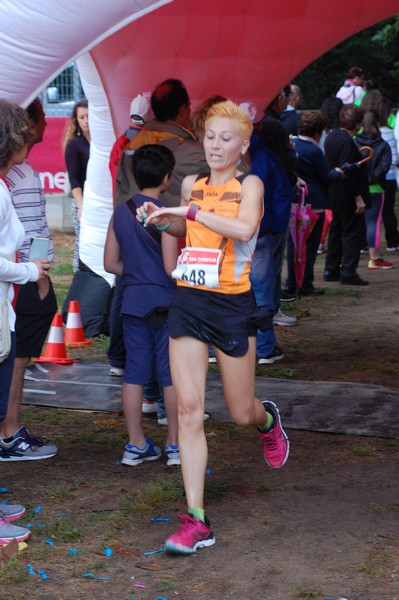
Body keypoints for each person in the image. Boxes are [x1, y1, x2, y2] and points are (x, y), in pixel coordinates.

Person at [138, 100, 290, 555]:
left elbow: (244, 230)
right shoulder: (191, 183)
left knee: (239, 410)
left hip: (231, 305)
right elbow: (190, 233)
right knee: (187, 411)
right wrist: (163, 221)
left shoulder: (252, 183)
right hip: (189, 300)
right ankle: (196, 519)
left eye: (226, 139)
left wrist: (189, 213)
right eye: (209, 137)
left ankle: (267, 421)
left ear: (243, 145)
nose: (216, 146)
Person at [104, 144, 180, 467]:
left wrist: (135, 272)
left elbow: (109, 262)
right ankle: (175, 445)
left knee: (134, 373)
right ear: (166, 178)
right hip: (165, 302)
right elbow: (169, 267)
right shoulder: (166, 214)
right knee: (171, 376)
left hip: (132, 302)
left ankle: (136, 444)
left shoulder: (120, 211)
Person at [0, 98, 51, 543]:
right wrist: (34, 274)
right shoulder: (10, 183)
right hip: (9, 295)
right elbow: (24, 239)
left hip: (8, 297)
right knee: (9, 370)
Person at [239, 101, 294, 364]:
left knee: (227, 288)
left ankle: (220, 347)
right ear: (258, 124)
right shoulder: (266, 156)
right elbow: (282, 194)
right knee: (261, 290)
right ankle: (263, 348)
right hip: (260, 233)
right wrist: (275, 228)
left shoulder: (220, 153)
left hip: (227, 234)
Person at [114, 78, 208, 209]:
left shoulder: (132, 145)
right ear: (182, 110)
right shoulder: (197, 154)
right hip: (173, 227)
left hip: (132, 225)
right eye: (189, 106)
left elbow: (119, 193)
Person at [285, 111, 343, 296]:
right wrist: (339, 173)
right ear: (318, 132)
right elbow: (326, 177)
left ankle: (292, 282)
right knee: (309, 246)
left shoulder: (292, 145)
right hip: (313, 203)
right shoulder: (314, 151)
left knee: (293, 244)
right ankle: (306, 284)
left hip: (294, 202)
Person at [323, 105, 370, 286]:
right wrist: (357, 197)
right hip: (347, 193)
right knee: (351, 233)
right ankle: (348, 271)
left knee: (336, 230)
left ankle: (331, 268)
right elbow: (347, 170)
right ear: (357, 124)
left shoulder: (332, 136)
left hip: (334, 192)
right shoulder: (347, 142)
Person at [353, 110, 393, 270]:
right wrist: (372, 178)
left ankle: (347, 256)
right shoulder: (383, 145)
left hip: (357, 189)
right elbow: (384, 167)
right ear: (378, 124)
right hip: (376, 188)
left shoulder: (354, 142)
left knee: (354, 223)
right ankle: (374, 258)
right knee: (373, 223)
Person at [63, 99, 90, 271]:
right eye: (82, 117)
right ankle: (78, 276)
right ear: (76, 120)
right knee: (82, 242)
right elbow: (75, 181)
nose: (86, 121)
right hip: (83, 201)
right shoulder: (74, 145)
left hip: (100, 200)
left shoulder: (103, 142)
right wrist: (81, 206)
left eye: (89, 116)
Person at [378, 97, 399, 252]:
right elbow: (395, 158)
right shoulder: (389, 133)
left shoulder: (367, 133)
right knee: (388, 210)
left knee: (372, 213)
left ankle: (367, 243)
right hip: (390, 176)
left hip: (374, 178)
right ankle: (392, 242)